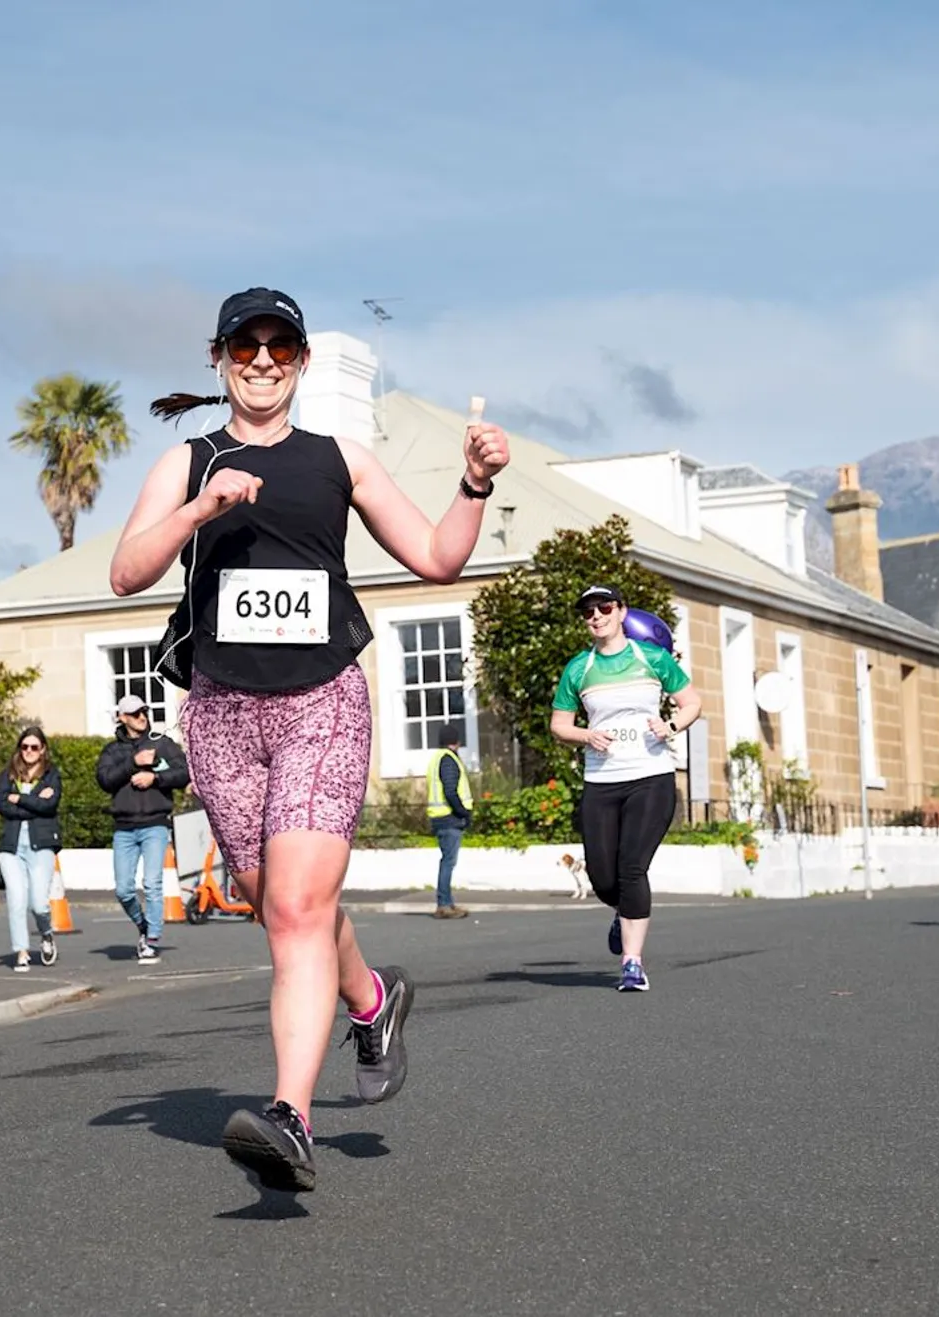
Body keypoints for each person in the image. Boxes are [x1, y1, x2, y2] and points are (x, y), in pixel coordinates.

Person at [110, 286, 510, 1191]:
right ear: (218, 360)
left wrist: (475, 483)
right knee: (273, 900)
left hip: (322, 701)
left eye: (278, 347)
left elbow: (439, 557)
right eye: (244, 347)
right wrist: (200, 510)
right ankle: (371, 1001)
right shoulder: (189, 461)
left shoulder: (339, 459)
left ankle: (291, 1116)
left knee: (295, 910)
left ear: (300, 363)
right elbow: (127, 571)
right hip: (220, 711)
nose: (261, 361)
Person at [548, 585, 703, 991]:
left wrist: (669, 726)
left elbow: (692, 703)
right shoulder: (578, 668)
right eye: (587, 612)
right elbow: (559, 724)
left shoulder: (651, 657)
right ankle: (624, 911)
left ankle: (632, 963)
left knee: (632, 868)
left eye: (604, 608)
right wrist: (586, 736)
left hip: (651, 776)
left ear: (621, 612)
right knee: (602, 876)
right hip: (602, 780)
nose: (596, 616)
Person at [94, 695, 190, 960]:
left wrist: (155, 777)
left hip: (155, 824)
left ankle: (151, 940)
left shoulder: (162, 744)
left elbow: (184, 773)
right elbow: (105, 780)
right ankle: (143, 925)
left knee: (152, 883)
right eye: (135, 713)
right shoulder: (113, 751)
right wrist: (133, 763)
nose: (142, 717)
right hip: (124, 828)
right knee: (124, 890)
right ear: (122, 718)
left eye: (144, 712)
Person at [0, 726, 61, 971]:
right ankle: (21, 951)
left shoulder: (51, 775)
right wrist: (35, 800)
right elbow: (2, 804)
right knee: (16, 899)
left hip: (41, 844)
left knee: (38, 903)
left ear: (43, 749)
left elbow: (49, 806)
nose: (29, 752)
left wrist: (20, 798)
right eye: (25, 747)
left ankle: (46, 934)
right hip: (11, 847)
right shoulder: (8, 775)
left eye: (34, 747)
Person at [426, 723, 472, 918]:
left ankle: (447, 903)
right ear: (456, 741)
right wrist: (463, 813)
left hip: (441, 817)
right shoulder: (448, 760)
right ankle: (444, 904)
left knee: (447, 861)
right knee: (448, 862)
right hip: (449, 818)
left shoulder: (437, 759)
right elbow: (451, 791)